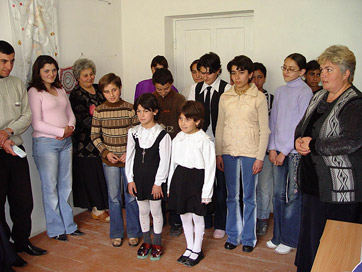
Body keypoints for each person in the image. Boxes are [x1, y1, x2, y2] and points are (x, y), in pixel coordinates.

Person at [294, 45, 362, 272]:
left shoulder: (355, 102)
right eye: (322, 69)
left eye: (329, 69)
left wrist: (312, 144)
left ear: (346, 73)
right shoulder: (319, 96)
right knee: (312, 236)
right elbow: (303, 125)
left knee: (335, 245)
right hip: (314, 183)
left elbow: (351, 141)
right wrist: (298, 140)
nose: (322, 74)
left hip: (339, 190)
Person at [215, 55, 270, 253]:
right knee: (232, 196)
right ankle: (233, 235)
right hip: (229, 152)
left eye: (241, 72)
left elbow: (265, 130)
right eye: (233, 72)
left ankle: (248, 238)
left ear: (249, 74)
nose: (237, 76)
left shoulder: (258, 97)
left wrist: (259, 157)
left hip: (250, 153)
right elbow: (220, 126)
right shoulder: (225, 97)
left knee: (249, 197)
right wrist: (219, 153)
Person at [28, 55, 84, 241]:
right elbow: (37, 123)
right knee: (50, 187)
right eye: (47, 71)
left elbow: (70, 113)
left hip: (65, 142)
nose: (51, 74)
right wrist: (61, 130)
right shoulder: (35, 92)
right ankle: (55, 229)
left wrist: (70, 128)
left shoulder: (60, 89)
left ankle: (69, 225)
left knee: (65, 185)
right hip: (46, 145)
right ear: (39, 72)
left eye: (53, 70)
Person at [0, 40, 47, 256]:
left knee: (23, 201)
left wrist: (7, 132)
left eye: (11, 61)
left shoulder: (17, 83)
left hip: (16, 151)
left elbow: (26, 116)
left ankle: (21, 242)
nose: (8, 67)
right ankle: (6, 250)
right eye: (3, 61)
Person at [267, 53, 313, 254]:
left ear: (302, 72)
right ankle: (277, 236)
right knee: (277, 194)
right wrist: (272, 148)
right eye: (284, 67)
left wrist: (283, 151)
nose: (286, 72)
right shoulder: (280, 91)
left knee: (294, 195)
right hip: (278, 151)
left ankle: (290, 239)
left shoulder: (306, 93)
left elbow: (299, 125)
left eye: (291, 68)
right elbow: (274, 122)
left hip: (294, 152)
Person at [90, 73, 142, 247]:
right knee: (113, 198)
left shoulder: (129, 108)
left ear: (120, 88)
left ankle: (134, 232)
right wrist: (106, 153)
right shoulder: (99, 110)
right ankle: (117, 232)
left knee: (131, 196)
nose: (111, 94)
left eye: (114, 90)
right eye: (106, 91)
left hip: (129, 160)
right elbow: (95, 136)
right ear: (102, 93)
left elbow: (137, 134)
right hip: (109, 162)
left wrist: (129, 152)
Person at [188, 52, 231, 239]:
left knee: (220, 185)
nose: (205, 77)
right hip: (199, 144)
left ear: (218, 71)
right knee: (200, 183)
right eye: (202, 72)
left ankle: (220, 223)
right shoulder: (195, 88)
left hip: (221, 143)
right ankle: (204, 219)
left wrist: (220, 149)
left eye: (209, 73)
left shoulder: (227, 88)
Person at [168, 101, 216, 267]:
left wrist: (207, 192)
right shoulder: (177, 138)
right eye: (181, 119)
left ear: (197, 121)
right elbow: (172, 164)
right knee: (184, 215)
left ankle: (197, 249)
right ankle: (189, 247)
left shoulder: (204, 140)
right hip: (180, 179)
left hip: (197, 180)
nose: (183, 123)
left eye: (188, 119)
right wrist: (169, 186)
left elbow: (210, 168)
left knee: (197, 216)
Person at [126, 93, 171, 261]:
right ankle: (146, 242)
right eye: (138, 111)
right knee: (142, 210)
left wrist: (158, 183)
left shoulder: (162, 134)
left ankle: (157, 242)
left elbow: (165, 161)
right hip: (138, 180)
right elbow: (129, 158)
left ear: (155, 112)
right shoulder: (133, 133)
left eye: (146, 111)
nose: (141, 115)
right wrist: (130, 179)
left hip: (154, 182)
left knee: (156, 211)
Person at [69, 58, 109, 222]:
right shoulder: (76, 94)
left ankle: (103, 205)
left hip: (103, 138)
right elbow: (82, 119)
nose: (89, 78)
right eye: (85, 75)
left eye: (91, 74)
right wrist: (103, 124)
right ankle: (97, 208)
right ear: (78, 77)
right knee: (92, 175)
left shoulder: (99, 89)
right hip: (86, 142)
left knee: (102, 173)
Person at [152, 68, 186, 236]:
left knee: (174, 185)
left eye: (166, 89)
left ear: (171, 84)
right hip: (156, 148)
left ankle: (175, 221)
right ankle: (159, 217)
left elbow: (184, 123)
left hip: (175, 148)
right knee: (158, 183)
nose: (163, 92)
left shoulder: (179, 99)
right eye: (159, 89)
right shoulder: (152, 99)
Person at [251, 62, 274, 236]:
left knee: (264, 187)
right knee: (248, 188)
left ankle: (263, 219)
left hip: (265, 151)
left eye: (260, 77)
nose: (256, 81)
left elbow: (273, 126)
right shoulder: (245, 98)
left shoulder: (272, 98)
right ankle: (249, 219)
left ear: (265, 78)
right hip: (247, 150)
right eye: (253, 77)